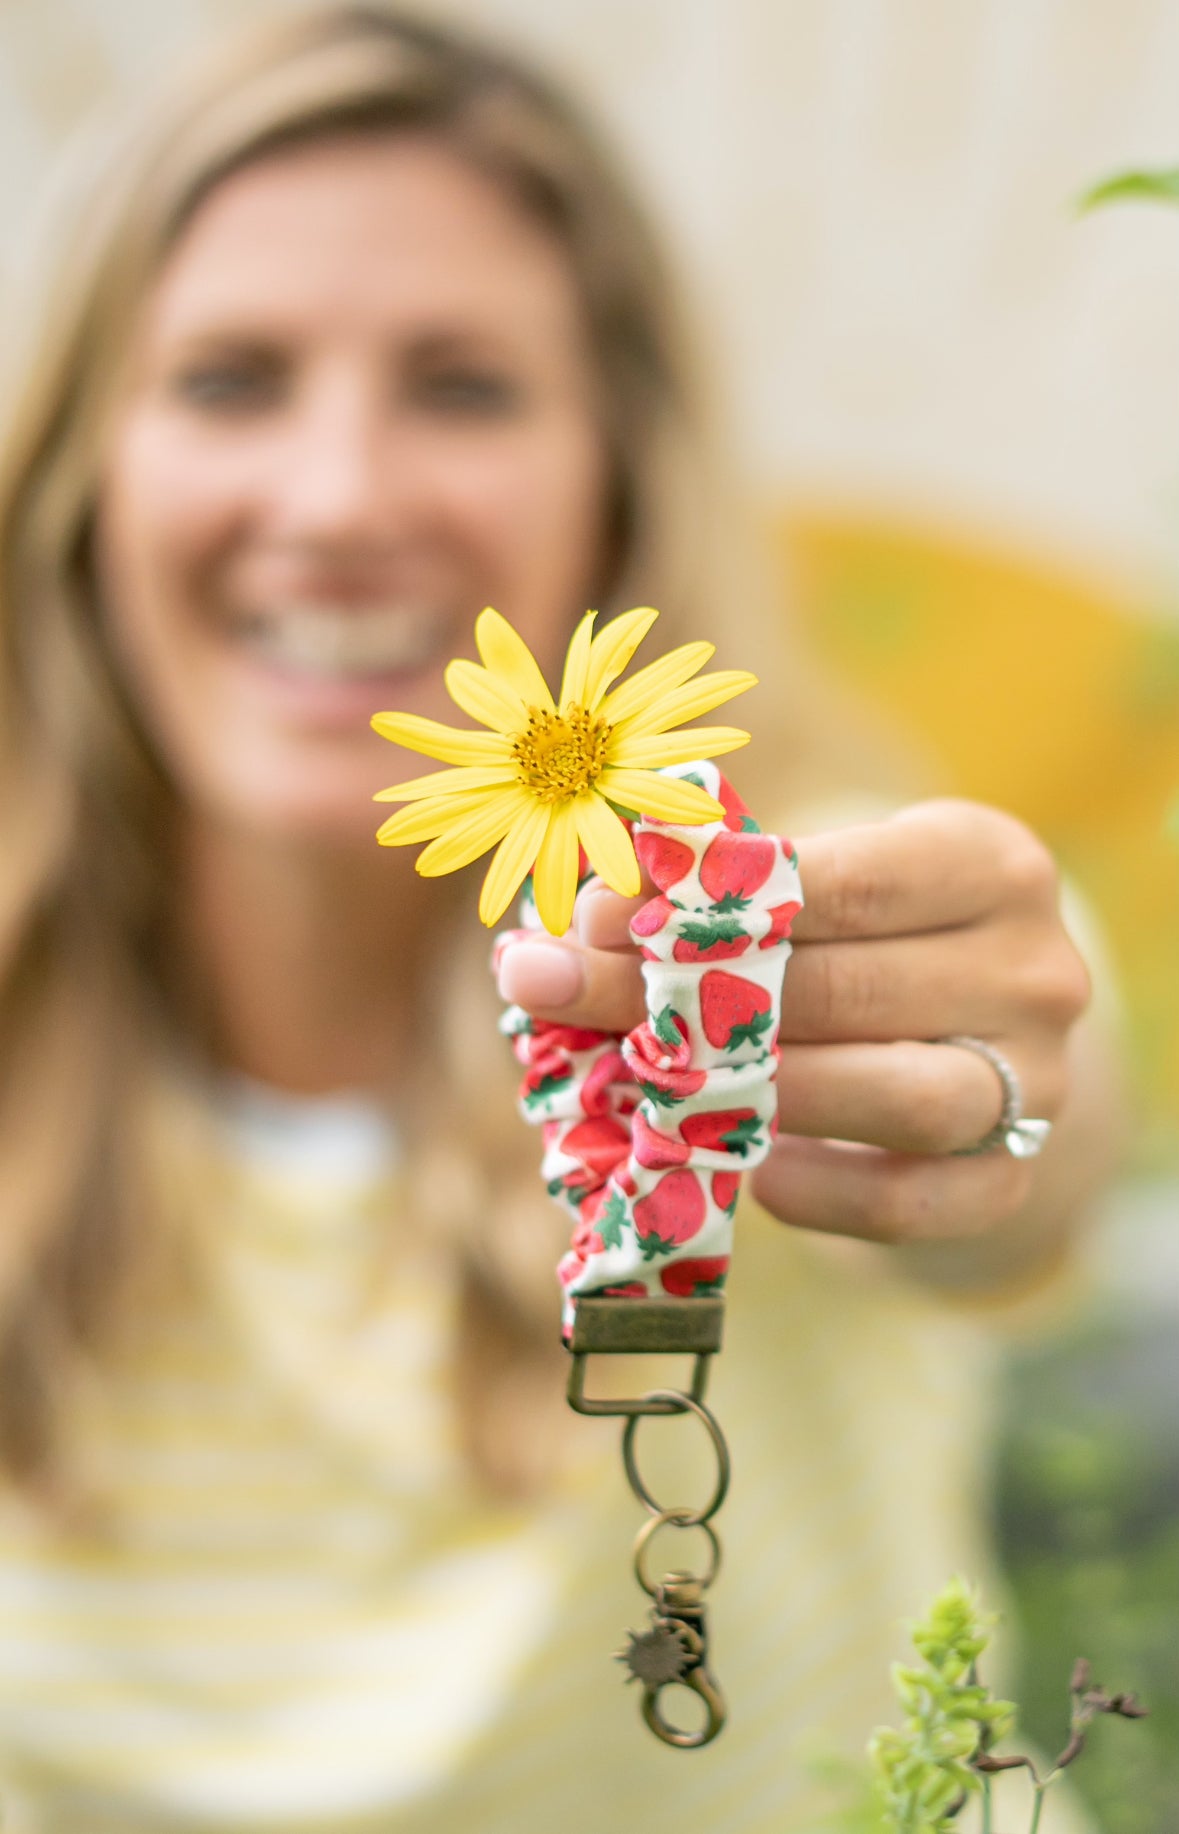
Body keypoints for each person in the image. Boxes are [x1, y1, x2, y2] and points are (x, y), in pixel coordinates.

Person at [0, 6, 1118, 1830]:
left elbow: (1016, 1071)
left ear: (615, 477)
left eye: (462, 384)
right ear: (79, 477)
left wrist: (1002, 1091)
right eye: (228, 378)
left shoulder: (732, 935)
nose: (339, 498)